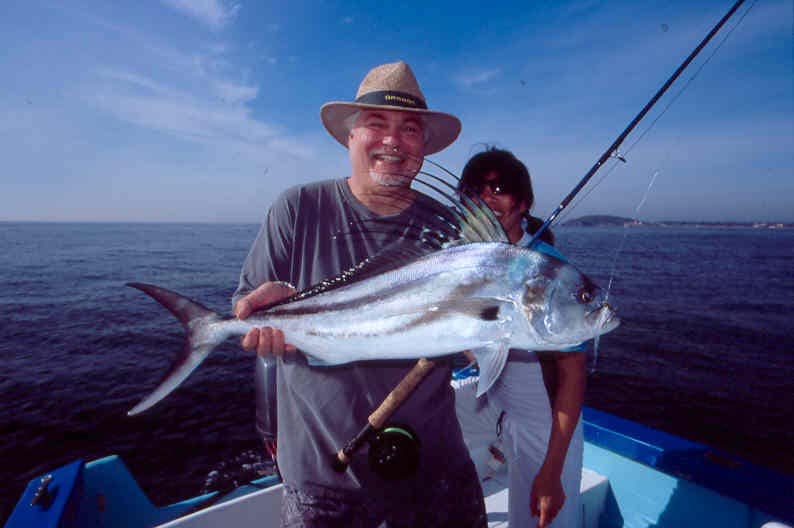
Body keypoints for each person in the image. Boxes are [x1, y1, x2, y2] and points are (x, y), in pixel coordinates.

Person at [232, 61, 487, 527]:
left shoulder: (451, 229)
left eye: (409, 129)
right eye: (376, 124)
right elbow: (248, 302)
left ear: (424, 146)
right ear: (350, 136)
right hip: (321, 480)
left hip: (437, 469)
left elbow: (472, 339)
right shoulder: (298, 208)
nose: (393, 141)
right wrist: (254, 310)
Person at [454, 147, 586, 528]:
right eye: (475, 190)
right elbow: (471, 343)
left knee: (537, 519)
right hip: (498, 404)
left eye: (499, 188)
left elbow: (572, 374)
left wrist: (552, 472)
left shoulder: (548, 272)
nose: (486, 198)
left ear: (523, 202)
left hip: (543, 424)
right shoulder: (462, 260)